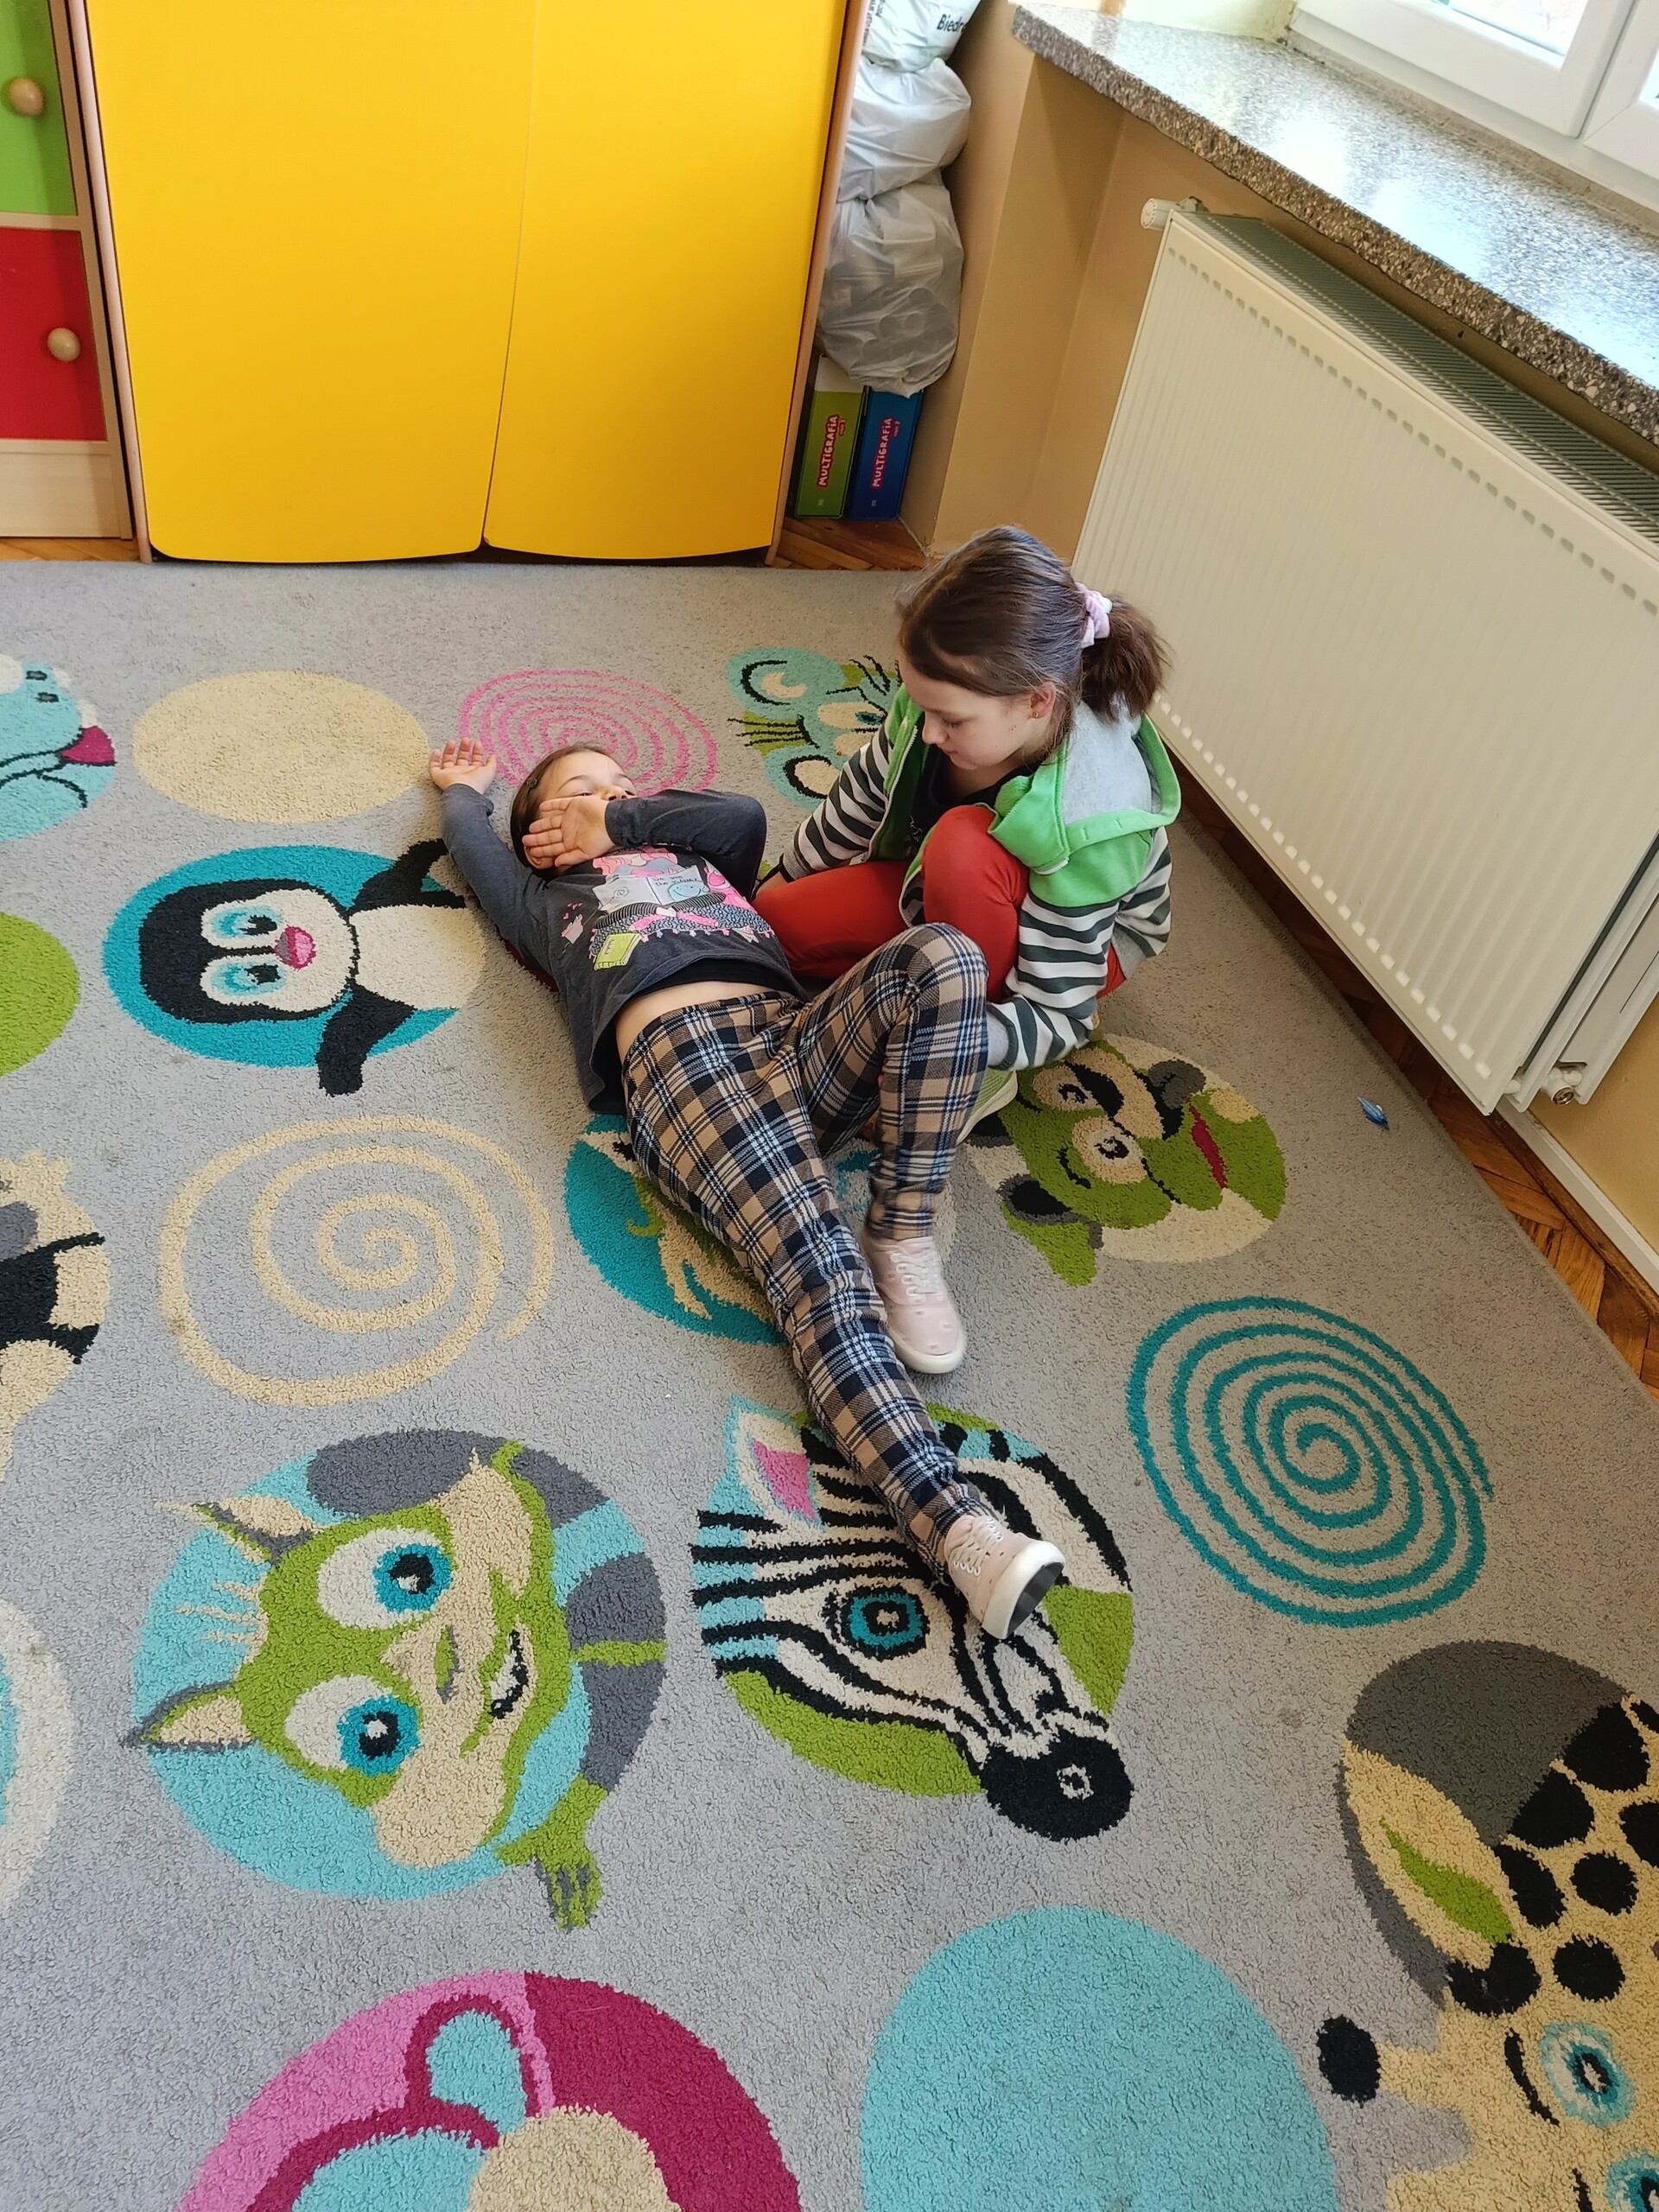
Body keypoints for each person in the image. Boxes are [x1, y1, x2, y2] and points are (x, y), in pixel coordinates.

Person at [429, 734, 1065, 1641]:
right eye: (582, 790)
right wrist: (467, 792)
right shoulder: (547, 898)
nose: (612, 794)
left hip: (792, 1032)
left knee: (946, 958)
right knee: (821, 1272)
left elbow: (742, 819)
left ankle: (903, 1225)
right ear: (540, 837)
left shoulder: (690, 854)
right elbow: (475, 850)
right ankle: (957, 1528)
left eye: (622, 785)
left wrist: (618, 818)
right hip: (690, 1064)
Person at [753, 525, 1179, 1126]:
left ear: (1036, 701)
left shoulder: (1092, 814)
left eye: (950, 720)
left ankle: (979, 1063)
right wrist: (779, 882)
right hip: (940, 883)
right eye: (920, 705)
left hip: (1073, 950)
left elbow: (1061, 1012)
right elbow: (861, 795)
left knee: (961, 844)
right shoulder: (939, 701)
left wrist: (950, 1042)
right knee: (773, 927)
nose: (929, 731)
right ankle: (927, 980)